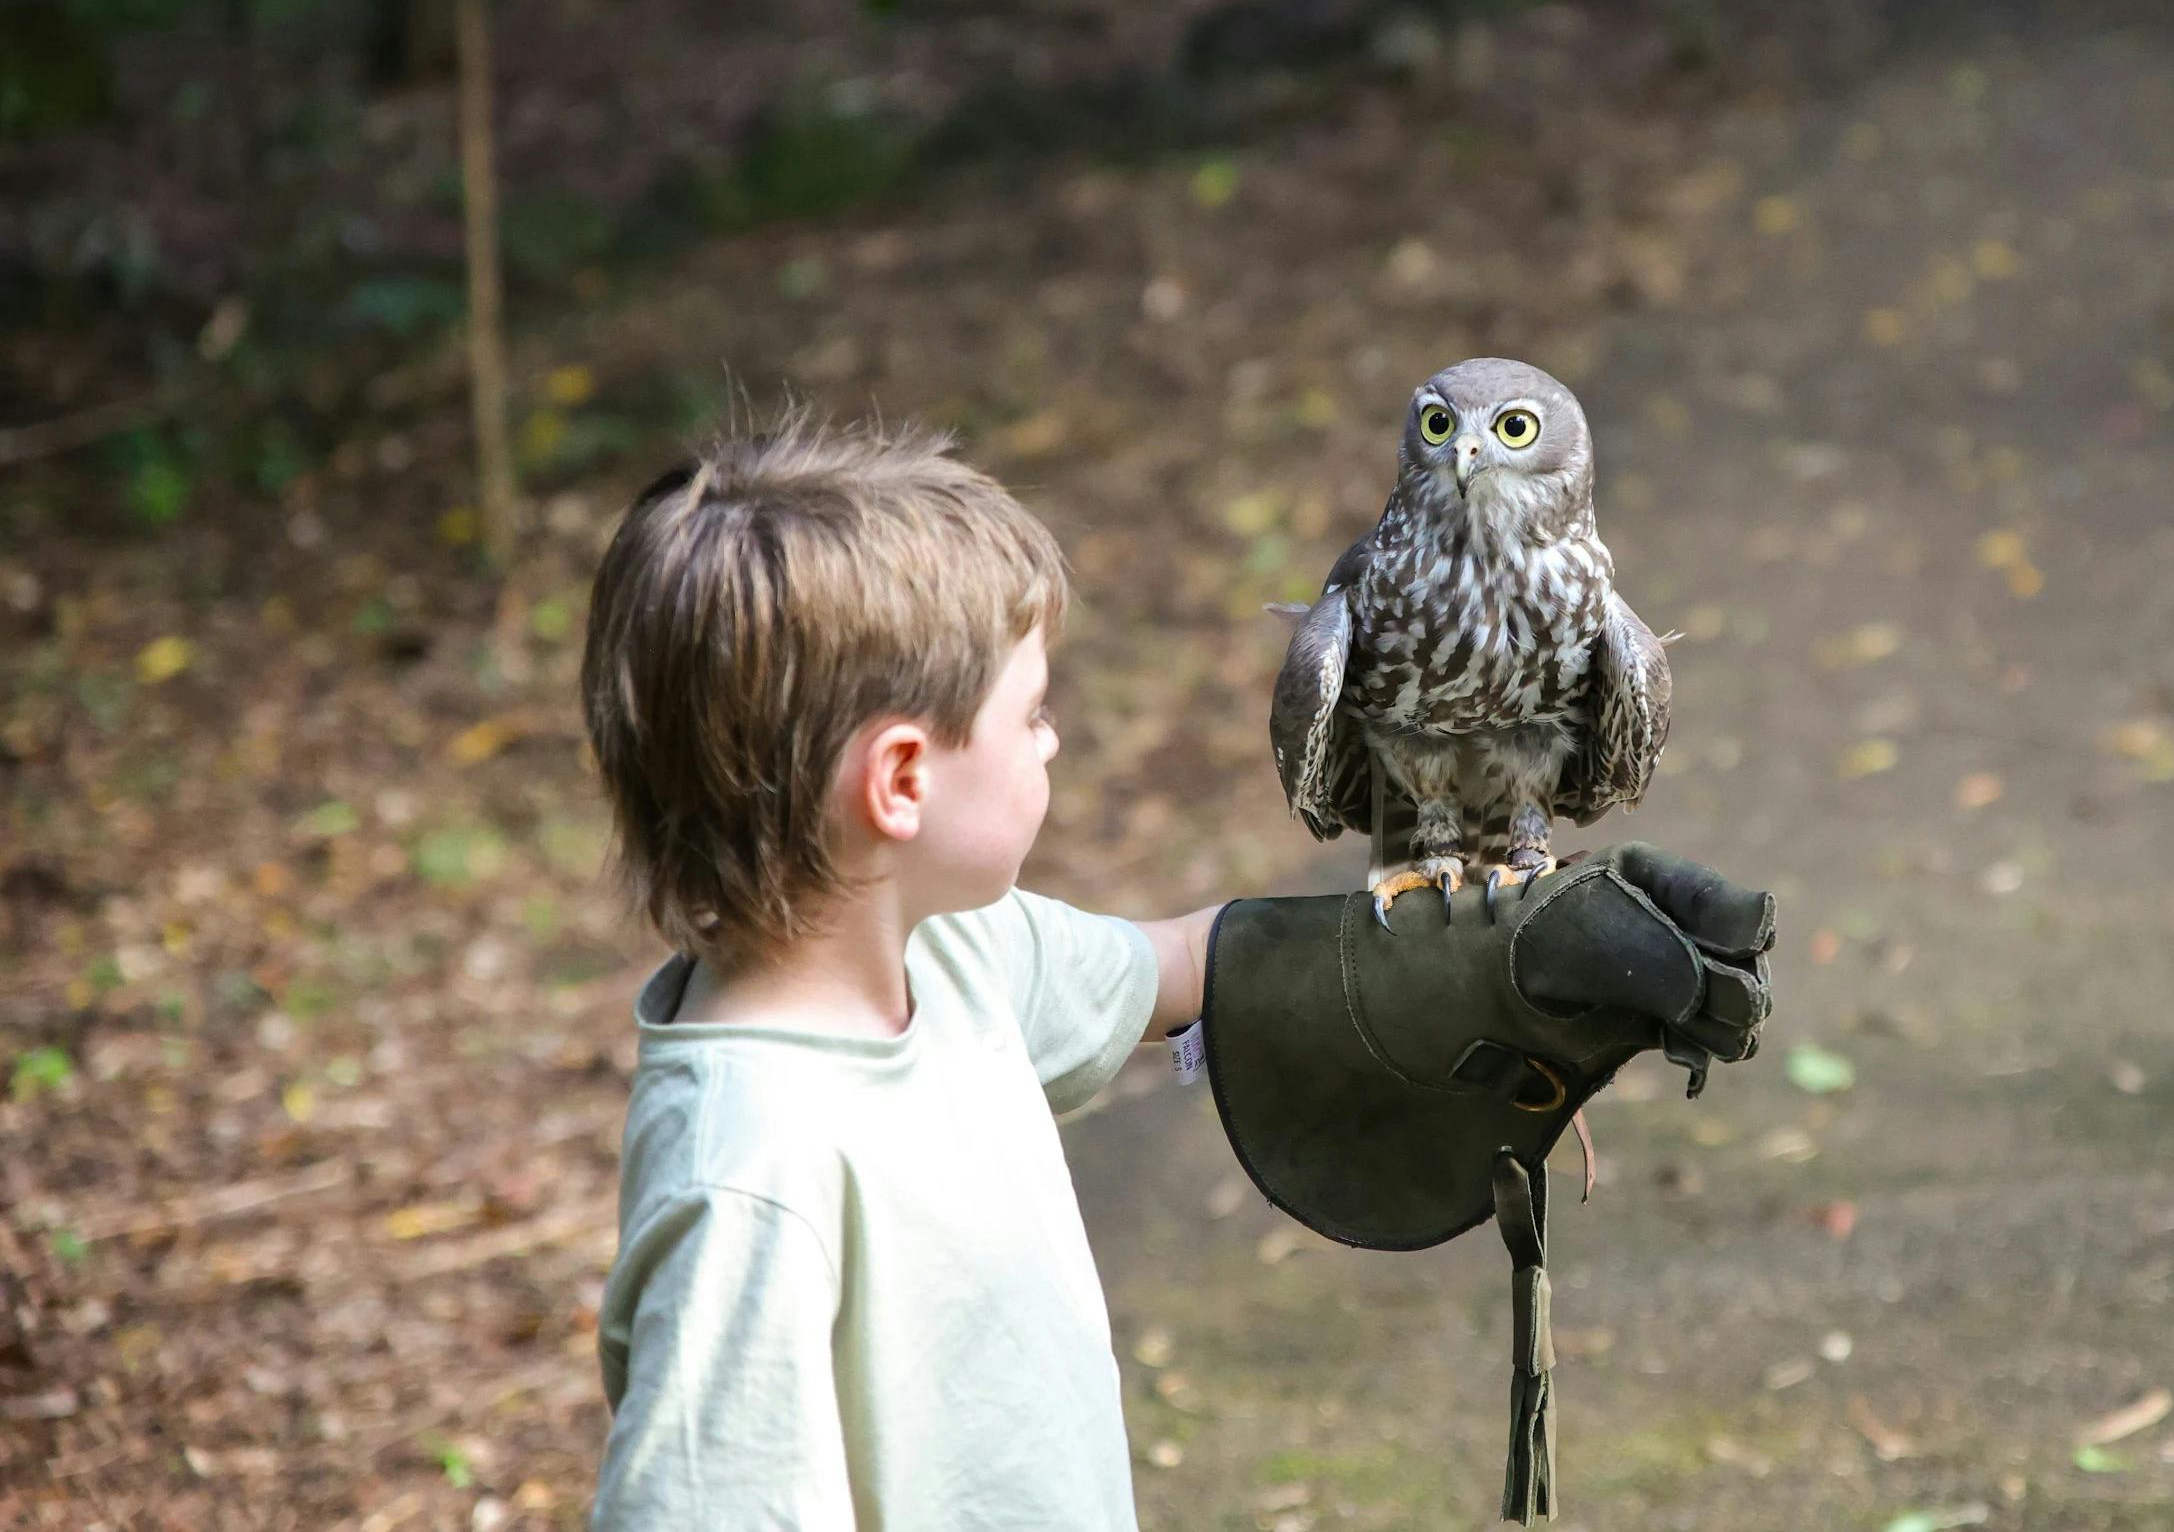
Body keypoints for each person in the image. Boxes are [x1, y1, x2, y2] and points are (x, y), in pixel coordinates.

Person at [578, 414, 1772, 1530]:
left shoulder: (952, 957)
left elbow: (1195, 963)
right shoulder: (748, 1177)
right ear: (901, 782)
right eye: (1031, 714)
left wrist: (1505, 958)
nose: (1052, 740)